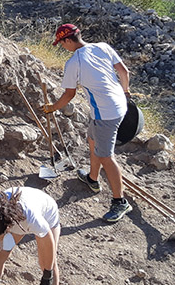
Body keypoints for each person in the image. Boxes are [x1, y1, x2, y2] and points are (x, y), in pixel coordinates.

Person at [43, 23, 132, 223]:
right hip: (119, 103)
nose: (62, 47)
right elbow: (124, 72)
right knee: (92, 139)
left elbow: (69, 94)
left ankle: (120, 201)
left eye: (61, 43)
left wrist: (52, 108)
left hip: (106, 113)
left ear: (68, 40)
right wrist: (125, 92)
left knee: (106, 157)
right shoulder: (102, 46)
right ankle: (92, 178)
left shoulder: (74, 62)